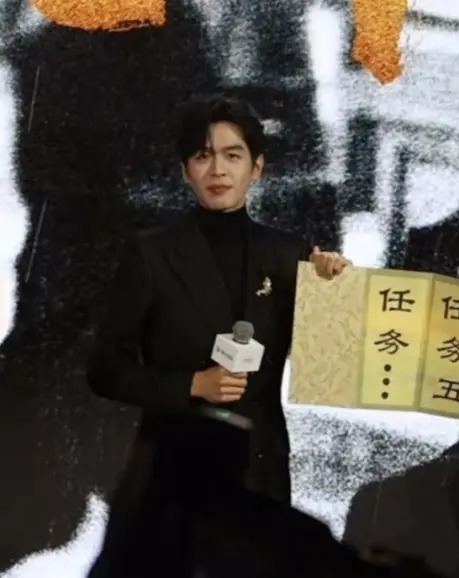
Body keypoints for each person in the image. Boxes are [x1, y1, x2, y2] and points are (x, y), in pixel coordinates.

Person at [85, 93, 351, 577]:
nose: (218, 170)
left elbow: (331, 359)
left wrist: (333, 288)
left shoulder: (290, 255)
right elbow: (105, 369)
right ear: (185, 170)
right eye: (203, 155)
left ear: (257, 167)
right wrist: (192, 384)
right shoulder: (150, 254)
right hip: (173, 465)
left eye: (233, 155)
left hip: (260, 467)